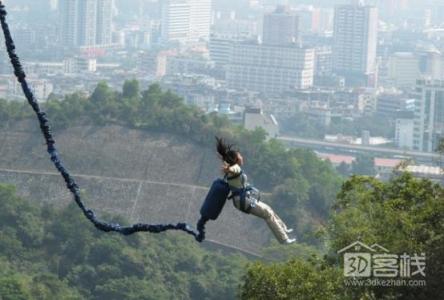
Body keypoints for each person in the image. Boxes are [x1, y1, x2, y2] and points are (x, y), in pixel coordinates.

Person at [216, 137, 296, 244]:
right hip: (242, 201)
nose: (242, 157)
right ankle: (284, 239)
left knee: (268, 208)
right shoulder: (235, 168)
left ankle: (283, 228)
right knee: (267, 214)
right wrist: (229, 168)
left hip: (244, 199)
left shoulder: (235, 169)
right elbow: (234, 169)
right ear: (236, 160)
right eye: (240, 156)